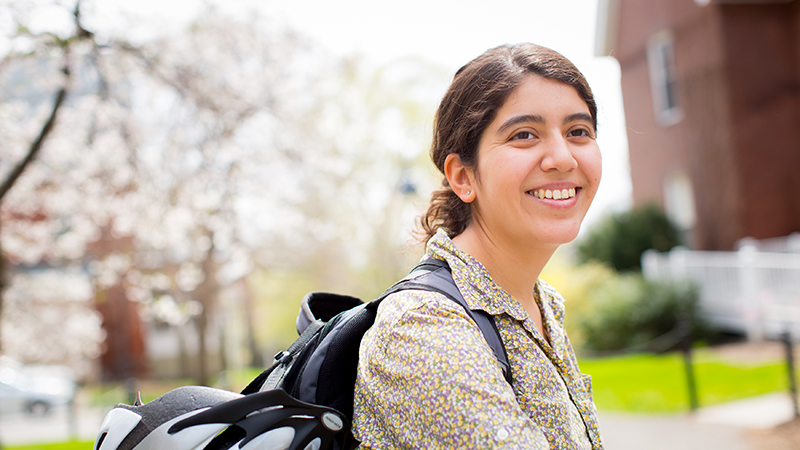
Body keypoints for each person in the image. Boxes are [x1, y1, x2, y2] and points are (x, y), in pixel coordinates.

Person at [352, 43, 604, 449]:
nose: (562, 157)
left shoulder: (541, 306)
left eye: (578, 131)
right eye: (524, 135)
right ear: (463, 177)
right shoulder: (422, 331)